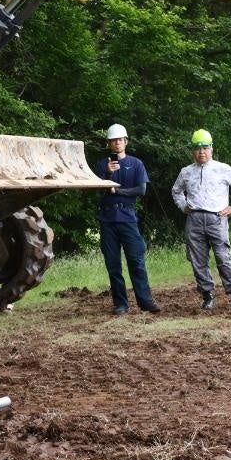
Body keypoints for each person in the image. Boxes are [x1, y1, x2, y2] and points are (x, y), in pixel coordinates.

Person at [171, 129, 231, 311]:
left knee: (223, 258)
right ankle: (207, 296)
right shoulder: (186, 172)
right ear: (192, 150)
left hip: (217, 217)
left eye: (205, 148)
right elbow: (176, 191)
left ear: (212, 149)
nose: (201, 152)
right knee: (197, 259)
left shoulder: (222, 169)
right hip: (194, 218)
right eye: (198, 148)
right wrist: (183, 206)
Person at [94, 123, 159, 316]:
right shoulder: (101, 165)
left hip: (128, 217)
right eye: (113, 140)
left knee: (136, 260)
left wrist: (118, 190)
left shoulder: (136, 163)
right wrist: (107, 173)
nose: (117, 143)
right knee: (113, 264)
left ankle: (145, 301)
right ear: (109, 143)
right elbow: (95, 190)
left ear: (126, 142)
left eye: (120, 140)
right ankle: (121, 304)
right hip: (107, 219)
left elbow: (141, 190)